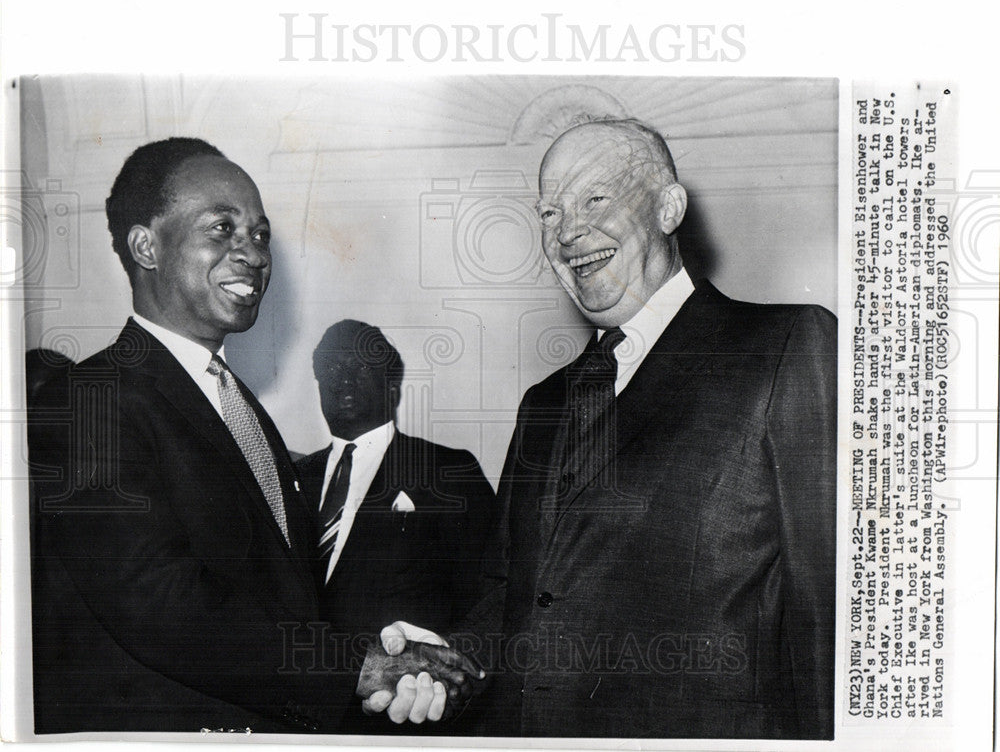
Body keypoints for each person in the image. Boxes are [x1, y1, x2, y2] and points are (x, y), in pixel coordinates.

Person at [27, 138, 476, 734]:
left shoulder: (240, 406)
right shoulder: (91, 398)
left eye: (260, 235)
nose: (253, 254)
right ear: (146, 246)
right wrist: (358, 668)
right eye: (222, 228)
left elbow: (284, 598)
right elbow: (158, 605)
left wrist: (385, 652)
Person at [451, 119, 836, 739]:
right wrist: (445, 661)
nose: (570, 230)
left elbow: (830, 611)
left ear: (667, 207)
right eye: (550, 213)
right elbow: (513, 594)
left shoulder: (786, 347)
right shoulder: (542, 404)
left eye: (595, 198)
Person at [296, 320, 496, 728]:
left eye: (363, 365)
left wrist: (449, 674)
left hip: (406, 714)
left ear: (391, 382)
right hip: (298, 708)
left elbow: (492, 592)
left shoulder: (447, 470)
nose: (345, 377)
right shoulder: (293, 475)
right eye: (331, 368)